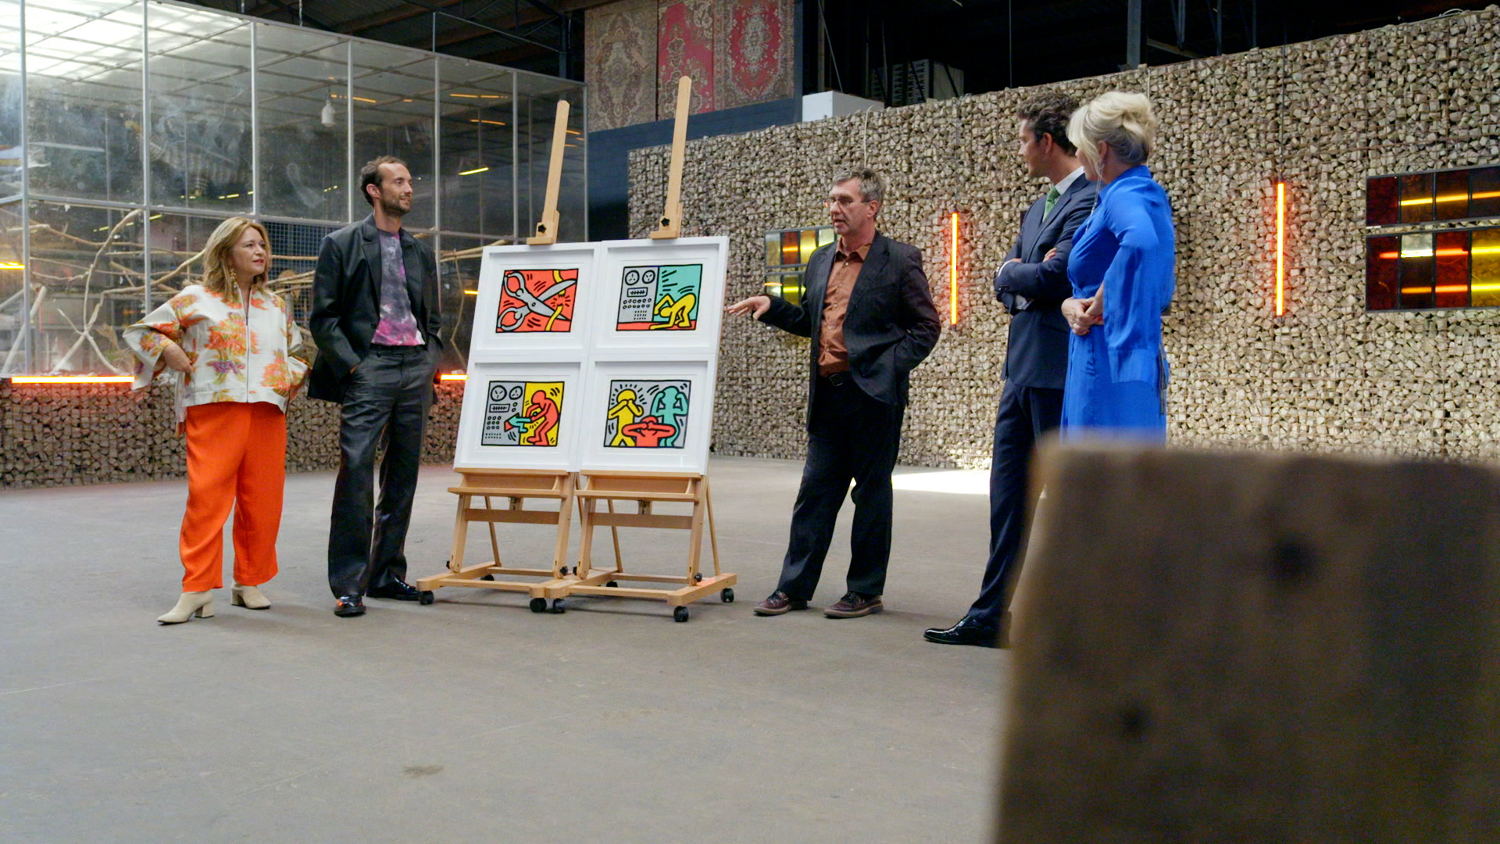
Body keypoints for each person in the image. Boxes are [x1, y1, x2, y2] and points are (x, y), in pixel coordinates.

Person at [726, 168, 940, 619]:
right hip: (828, 395)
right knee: (815, 493)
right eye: (831, 200)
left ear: (872, 207)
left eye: (844, 200)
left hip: (874, 397)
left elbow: (926, 327)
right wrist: (773, 308)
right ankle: (793, 588)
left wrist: (887, 369)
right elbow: (812, 321)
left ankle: (865, 590)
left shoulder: (900, 259)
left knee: (871, 496)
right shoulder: (821, 259)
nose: (834, 209)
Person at [925, 94, 1098, 649]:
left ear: (1046, 141)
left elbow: (1054, 277)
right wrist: (1019, 275)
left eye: (1023, 140)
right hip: (1020, 373)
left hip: (1059, 375)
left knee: (1067, 504)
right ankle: (990, 617)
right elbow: (1011, 283)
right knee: (1007, 502)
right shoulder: (1036, 209)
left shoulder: (1090, 200)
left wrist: (1018, 274)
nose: (1020, 150)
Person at [123, 217, 309, 624]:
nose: (260, 252)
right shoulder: (196, 298)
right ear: (226, 252)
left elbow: (298, 351)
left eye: (262, 245)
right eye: (249, 245)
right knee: (207, 500)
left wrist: (285, 380)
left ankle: (249, 581)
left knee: (263, 502)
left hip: (266, 410)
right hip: (213, 407)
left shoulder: (275, 306)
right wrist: (170, 351)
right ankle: (197, 589)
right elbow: (141, 332)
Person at [309, 155, 443, 617]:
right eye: (399, 181)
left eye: (409, 181)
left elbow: (433, 315)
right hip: (370, 368)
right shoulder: (342, 244)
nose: (409, 188)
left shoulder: (419, 250)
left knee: (403, 476)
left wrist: (429, 357)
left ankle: (385, 574)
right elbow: (323, 317)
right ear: (374, 190)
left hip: (413, 367)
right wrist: (354, 367)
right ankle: (349, 584)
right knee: (356, 471)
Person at [1058, 92, 1176, 439]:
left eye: (1079, 147)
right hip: (1111, 352)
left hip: (1107, 358)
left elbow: (1140, 242)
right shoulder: (1132, 192)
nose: (1077, 156)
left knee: (1102, 465)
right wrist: (1072, 303)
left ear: (1101, 149)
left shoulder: (1126, 194)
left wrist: (1104, 298)